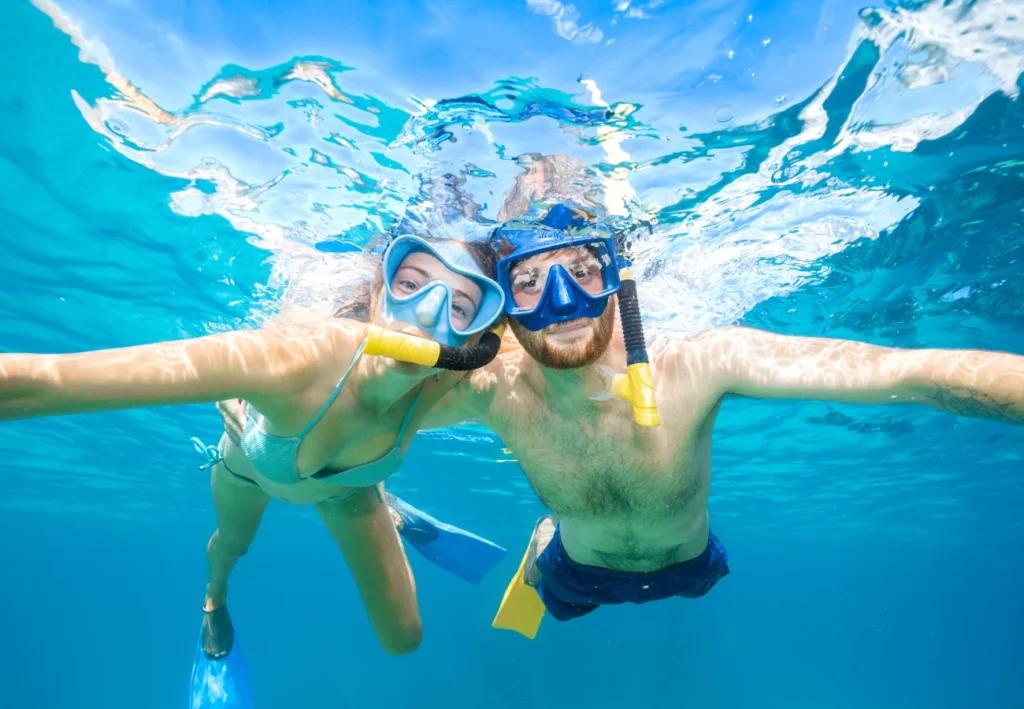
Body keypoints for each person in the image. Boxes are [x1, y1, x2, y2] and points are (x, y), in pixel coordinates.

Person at [409, 203, 1023, 639]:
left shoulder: (696, 362)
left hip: (692, 566)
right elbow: (365, 410)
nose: (561, 301)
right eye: (529, 282)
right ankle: (544, 543)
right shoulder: (493, 387)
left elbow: (905, 372)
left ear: (616, 279)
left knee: (703, 587)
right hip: (578, 571)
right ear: (503, 306)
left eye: (583, 272)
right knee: (561, 607)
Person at [0, 233, 509, 668]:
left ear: (472, 339)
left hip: (346, 492)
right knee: (231, 547)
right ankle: (213, 601)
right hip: (249, 474)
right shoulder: (297, 361)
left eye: (459, 306)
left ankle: (385, 501)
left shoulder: (446, 382)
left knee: (403, 640)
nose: (423, 316)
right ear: (377, 292)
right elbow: (39, 383)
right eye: (411, 284)